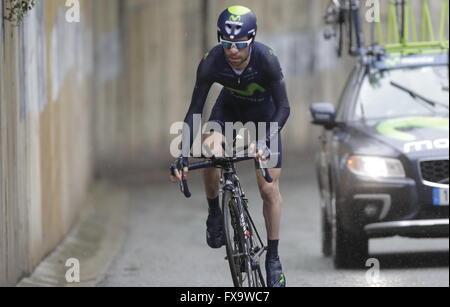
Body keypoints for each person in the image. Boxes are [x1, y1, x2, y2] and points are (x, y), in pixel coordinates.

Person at [171, 5, 290, 288]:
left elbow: (285, 108)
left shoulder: (267, 60)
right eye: (226, 43)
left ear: (251, 39)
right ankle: (215, 212)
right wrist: (183, 155)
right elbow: (195, 109)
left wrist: (263, 141)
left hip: (266, 117)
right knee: (210, 148)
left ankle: (273, 259)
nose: (232, 51)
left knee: (268, 188)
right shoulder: (212, 61)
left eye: (239, 44)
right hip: (229, 111)